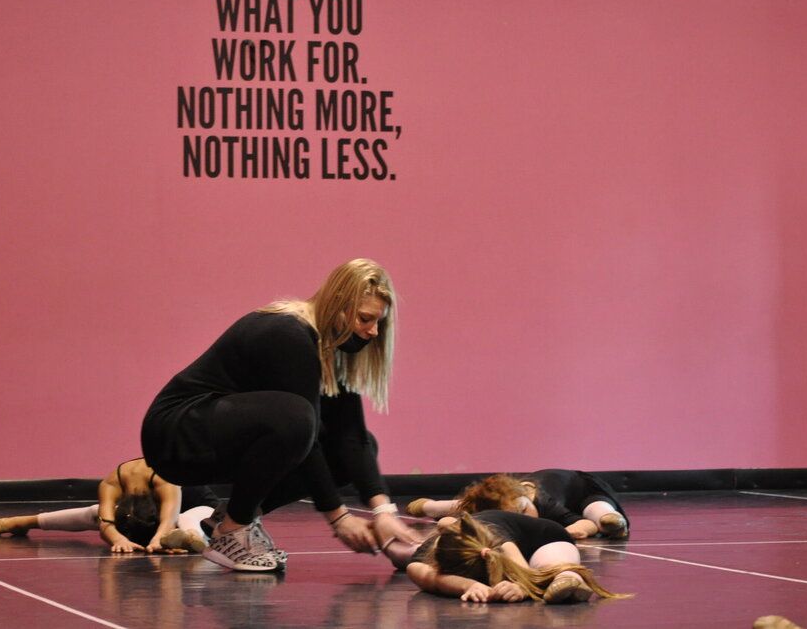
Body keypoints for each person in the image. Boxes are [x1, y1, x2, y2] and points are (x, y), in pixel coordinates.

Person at [140, 258, 420, 572]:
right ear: (338, 304)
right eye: (366, 319)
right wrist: (339, 517)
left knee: (351, 447)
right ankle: (234, 531)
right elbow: (303, 434)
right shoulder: (288, 333)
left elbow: (351, 436)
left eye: (378, 322)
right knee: (297, 419)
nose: (373, 331)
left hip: (216, 432)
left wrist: (385, 516)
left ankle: (226, 519)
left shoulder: (328, 349)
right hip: (175, 434)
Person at [0, 457, 218, 553]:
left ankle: (189, 537)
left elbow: (167, 519)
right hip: (151, 515)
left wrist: (157, 541)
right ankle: (24, 521)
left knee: (188, 518)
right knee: (93, 512)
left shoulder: (166, 480)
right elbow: (104, 520)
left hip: (196, 508)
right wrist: (118, 539)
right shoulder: (112, 482)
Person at [379, 510, 627, 604]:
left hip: (545, 537)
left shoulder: (501, 543)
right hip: (488, 548)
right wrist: (471, 585)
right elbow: (428, 578)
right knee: (404, 560)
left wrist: (519, 587)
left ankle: (568, 576)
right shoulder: (425, 557)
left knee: (549, 565)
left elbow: (525, 575)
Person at [408, 469, 629, 540]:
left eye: (524, 511)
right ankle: (433, 506)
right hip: (526, 487)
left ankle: (611, 521)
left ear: (526, 501)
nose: (526, 518)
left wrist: (566, 532)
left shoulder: (543, 504)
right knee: (470, 505)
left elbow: (582, 524)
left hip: (583, 488)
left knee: (594, 509)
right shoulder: (501, 504)